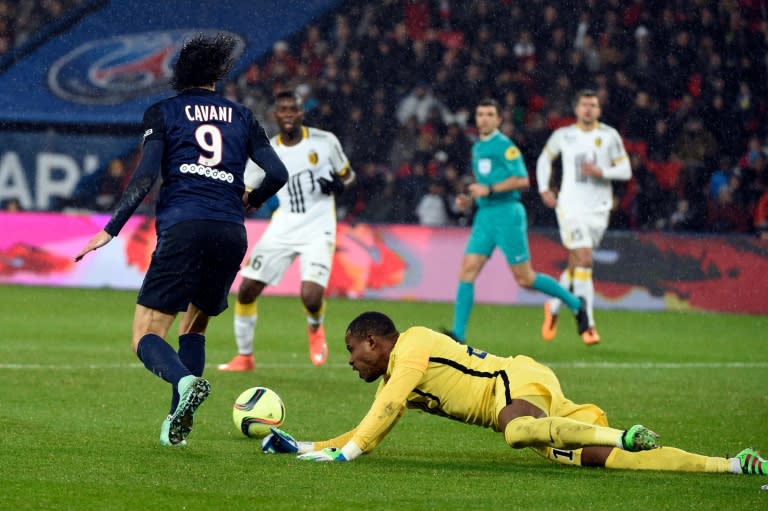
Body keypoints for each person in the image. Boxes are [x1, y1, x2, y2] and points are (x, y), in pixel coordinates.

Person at [73, 33, 288, 446]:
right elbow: (277, 173)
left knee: (145, 335)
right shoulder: (243, 116)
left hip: (185, 226)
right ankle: (176, 424)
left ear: (179, 73)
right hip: (229, 230)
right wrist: (250, 199)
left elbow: (145, 175)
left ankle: (184, 381)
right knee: (195, 327)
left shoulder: (164, 112)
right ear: (219, 73)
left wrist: (110, 228)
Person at [261, 311, 767, 479]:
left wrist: (343, 459)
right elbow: (369, 428)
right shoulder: (403, 379)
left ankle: (626, 433)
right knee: (605, 462)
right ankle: (731, 465)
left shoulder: (412, 343)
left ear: (375, 341)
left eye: (352, 350)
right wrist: (307, 446)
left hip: (515, 384)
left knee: (516, 432)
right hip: (536, 406)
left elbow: (385, 407)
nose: (350, 361)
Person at [218, 90, 355, 371]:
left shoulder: (325, 142)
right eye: (283, 109)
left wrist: (340, 187)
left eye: (294, 108)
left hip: (319, 227)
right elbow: (244, 189)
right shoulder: (267, 151)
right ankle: (244, 357)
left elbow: (349, 176)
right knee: (246, 290)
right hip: (283, 225)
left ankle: (315, 328)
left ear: (302, 113)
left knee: (311, 295)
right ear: (275, 115)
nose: (289, 113)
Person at [445, 98, 589, 344]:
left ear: (499, 119)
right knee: (467, 270)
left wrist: (489, 190)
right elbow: (484, 184)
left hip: (507, 214)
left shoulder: (506, 146)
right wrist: (468, 199)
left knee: (525, 279)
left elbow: (522, 180)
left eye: (490, 114)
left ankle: (576, 304)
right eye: (480, 114)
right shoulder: (477, 148)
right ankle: (457, 335)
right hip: (485, 216)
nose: (484, 118)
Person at [536, 89, 632, 345]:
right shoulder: (564, 135)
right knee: (586, 259)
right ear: (576, 109)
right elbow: (545, 158)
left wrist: (601, 171)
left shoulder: (609, 136)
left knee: (575, 263)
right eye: (584, 105)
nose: (588, 109)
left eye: (593, 105)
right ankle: (586, 323)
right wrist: (544, 187)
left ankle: (554, 306)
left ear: (599, 110)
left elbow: (625, 170)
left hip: (599, 209)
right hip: (570, 207)